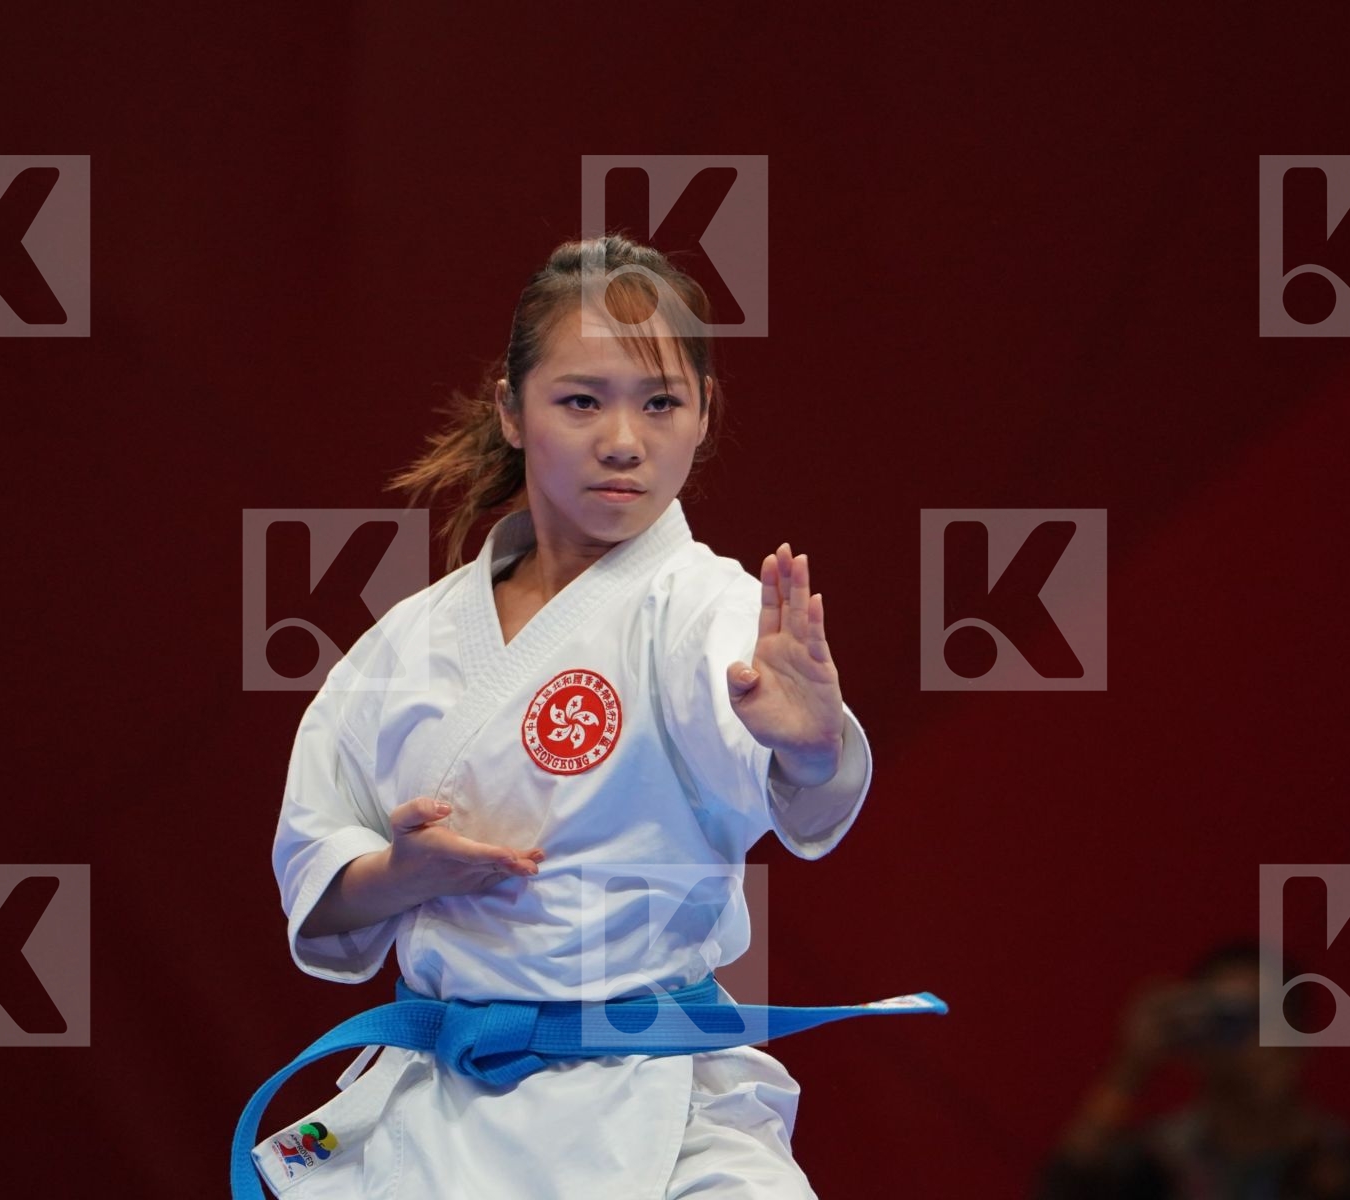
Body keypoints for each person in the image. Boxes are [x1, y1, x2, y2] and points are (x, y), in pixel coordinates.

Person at [245, 235, 901, 1198]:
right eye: (582, 400)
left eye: (660, 402)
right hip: (443, 1105)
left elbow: (791, 782)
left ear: (705, 416)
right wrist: (399, 873)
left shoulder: (705, 608)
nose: (623, 440)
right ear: (512, 412)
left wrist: (807, 746)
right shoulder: (406, 647)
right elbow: (318, 873)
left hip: (661, 1100)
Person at [1035, 941, 1350, 1200]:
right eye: (1229, 1021)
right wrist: (1130, 1068)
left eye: (1269, 1018)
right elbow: (1067, 1184)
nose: (1253, 1039)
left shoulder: (1341, 1165)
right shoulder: (1162, 1159)